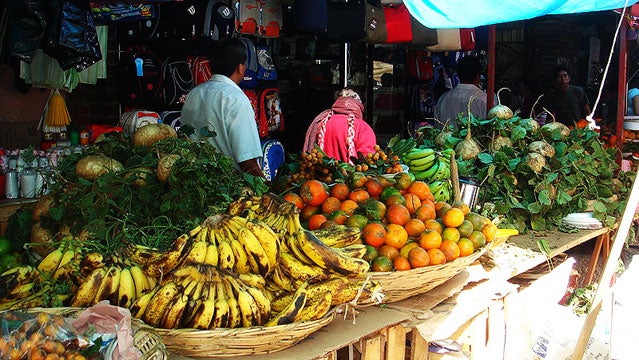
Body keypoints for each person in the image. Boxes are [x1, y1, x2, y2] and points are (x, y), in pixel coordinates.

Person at [181, 38, 264, 178]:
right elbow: (246, 159)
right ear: (240, 68)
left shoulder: (194, 94)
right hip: (228, 187)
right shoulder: (236, 99)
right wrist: (267, 187)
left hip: (195, 181)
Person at [303, 88, 376, 164]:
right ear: (359, 105)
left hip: (321, 174)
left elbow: (311, 153)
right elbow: (367, 161)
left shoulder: (320, 122)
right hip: (349, 175)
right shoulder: (363, 127)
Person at [435, 56, 487, 128]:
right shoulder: (486, 99)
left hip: (446, 138)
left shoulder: (443, 99)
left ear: (458, 75)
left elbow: (437, 125)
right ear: (478, 76)